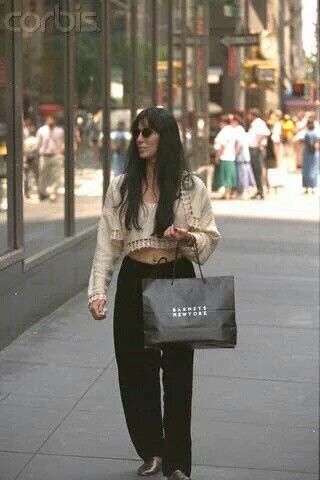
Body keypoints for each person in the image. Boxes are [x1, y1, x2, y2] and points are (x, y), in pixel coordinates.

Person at [88, 107, 221, 480]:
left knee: (178, 373)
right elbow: (106, 245)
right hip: (134, 280)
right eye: (137, 133)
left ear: (166, 137)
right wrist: (98, 291)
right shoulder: (122, 187)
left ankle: (177, 461)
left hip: (176, 277)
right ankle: (152, 450)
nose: (140, 139)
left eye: (148, 132)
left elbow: (209, 238)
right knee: (134, 370)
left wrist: (187, 237)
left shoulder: (189, 187)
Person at [36, 114, 64, 201]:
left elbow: (63, 142)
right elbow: (38, 144)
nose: (50, 121)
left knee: (56, 176)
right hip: (44, 156)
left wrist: (62, 151)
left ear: (55, 121)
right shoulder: (41, 130)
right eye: (49, 119)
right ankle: (42, 192)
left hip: (56, 155)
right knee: (43, 175)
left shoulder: (60, 131)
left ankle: (53, 193)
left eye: (52, 119)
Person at [246, 108, 270, 199]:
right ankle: (259, 190)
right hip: (253, 148)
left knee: (258, 170)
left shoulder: (258, 122)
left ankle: (261, 191)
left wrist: (259, 143)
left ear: (253, 115)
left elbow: (265, 133)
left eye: (249, 115)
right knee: (255, 171)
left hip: (256, 149)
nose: (248, 117)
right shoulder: (254, 123)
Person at [212, 114, 237, 199]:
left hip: (225, 156)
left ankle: (227, 195)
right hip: (230, 156)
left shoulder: (225, 131)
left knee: (226, 176)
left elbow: (222, 145)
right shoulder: (231, 130)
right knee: (229, 176)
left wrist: (217, 156)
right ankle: (228, 194)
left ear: (223, 122)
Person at [231, 114, 255, 198]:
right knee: (243, 173)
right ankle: (242, 191)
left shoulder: (238, 129)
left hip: (241, 156)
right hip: (242, 155)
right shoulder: (240, 129)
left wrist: (234, 153)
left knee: (242, 174)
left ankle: (243, 191)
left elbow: (239, 144)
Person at [302, 117, 320, 194]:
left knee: (307, 170)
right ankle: (312, 186)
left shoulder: (306, 133)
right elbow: (315, 144)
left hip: (307, 153)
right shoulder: (315, 133)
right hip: (313, 154)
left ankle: (307, 187)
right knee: (312, 170)